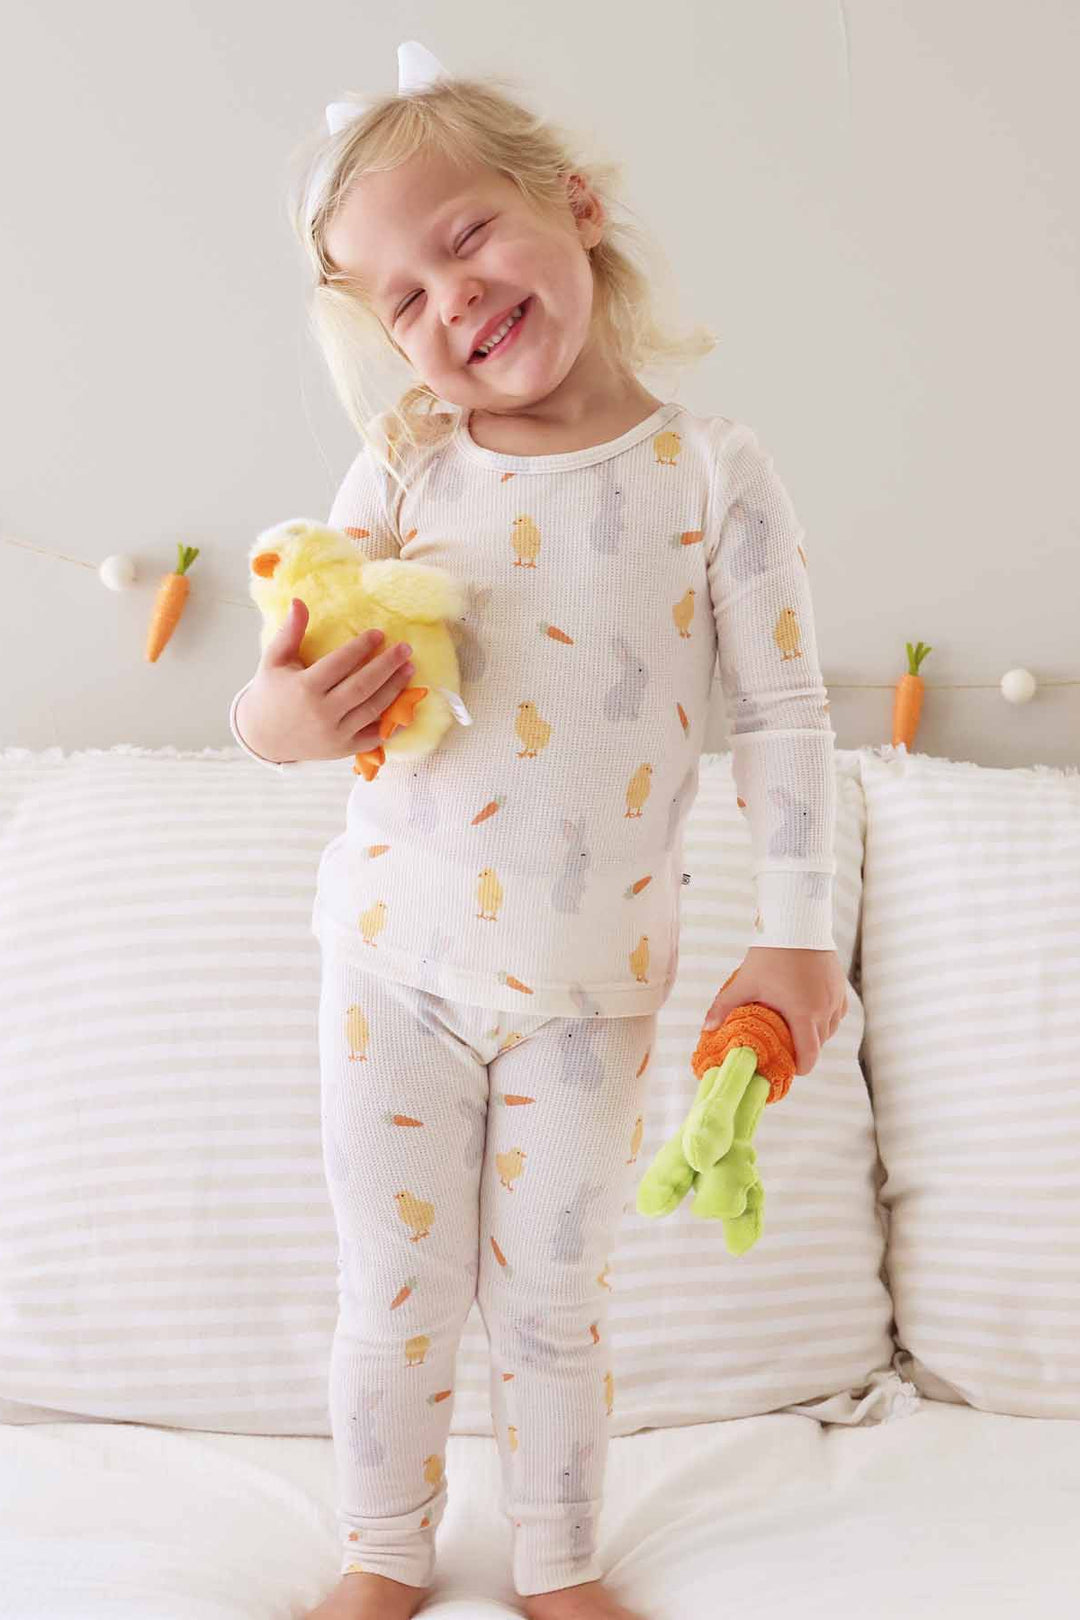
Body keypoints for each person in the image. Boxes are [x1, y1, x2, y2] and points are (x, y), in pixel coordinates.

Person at [229, 42, 847, 1620]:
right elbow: (290, 668)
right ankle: (382, 1548)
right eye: (402, 304)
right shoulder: (404, 464)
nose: (450, 305)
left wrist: (796, 932)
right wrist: (276, 723)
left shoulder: (710, 474)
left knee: (557, 1299)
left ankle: (558, 1562)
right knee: (395, 1294)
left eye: (465, 241)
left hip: (592, 993)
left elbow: (784, 720)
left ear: (570, 206)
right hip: (391, 966)